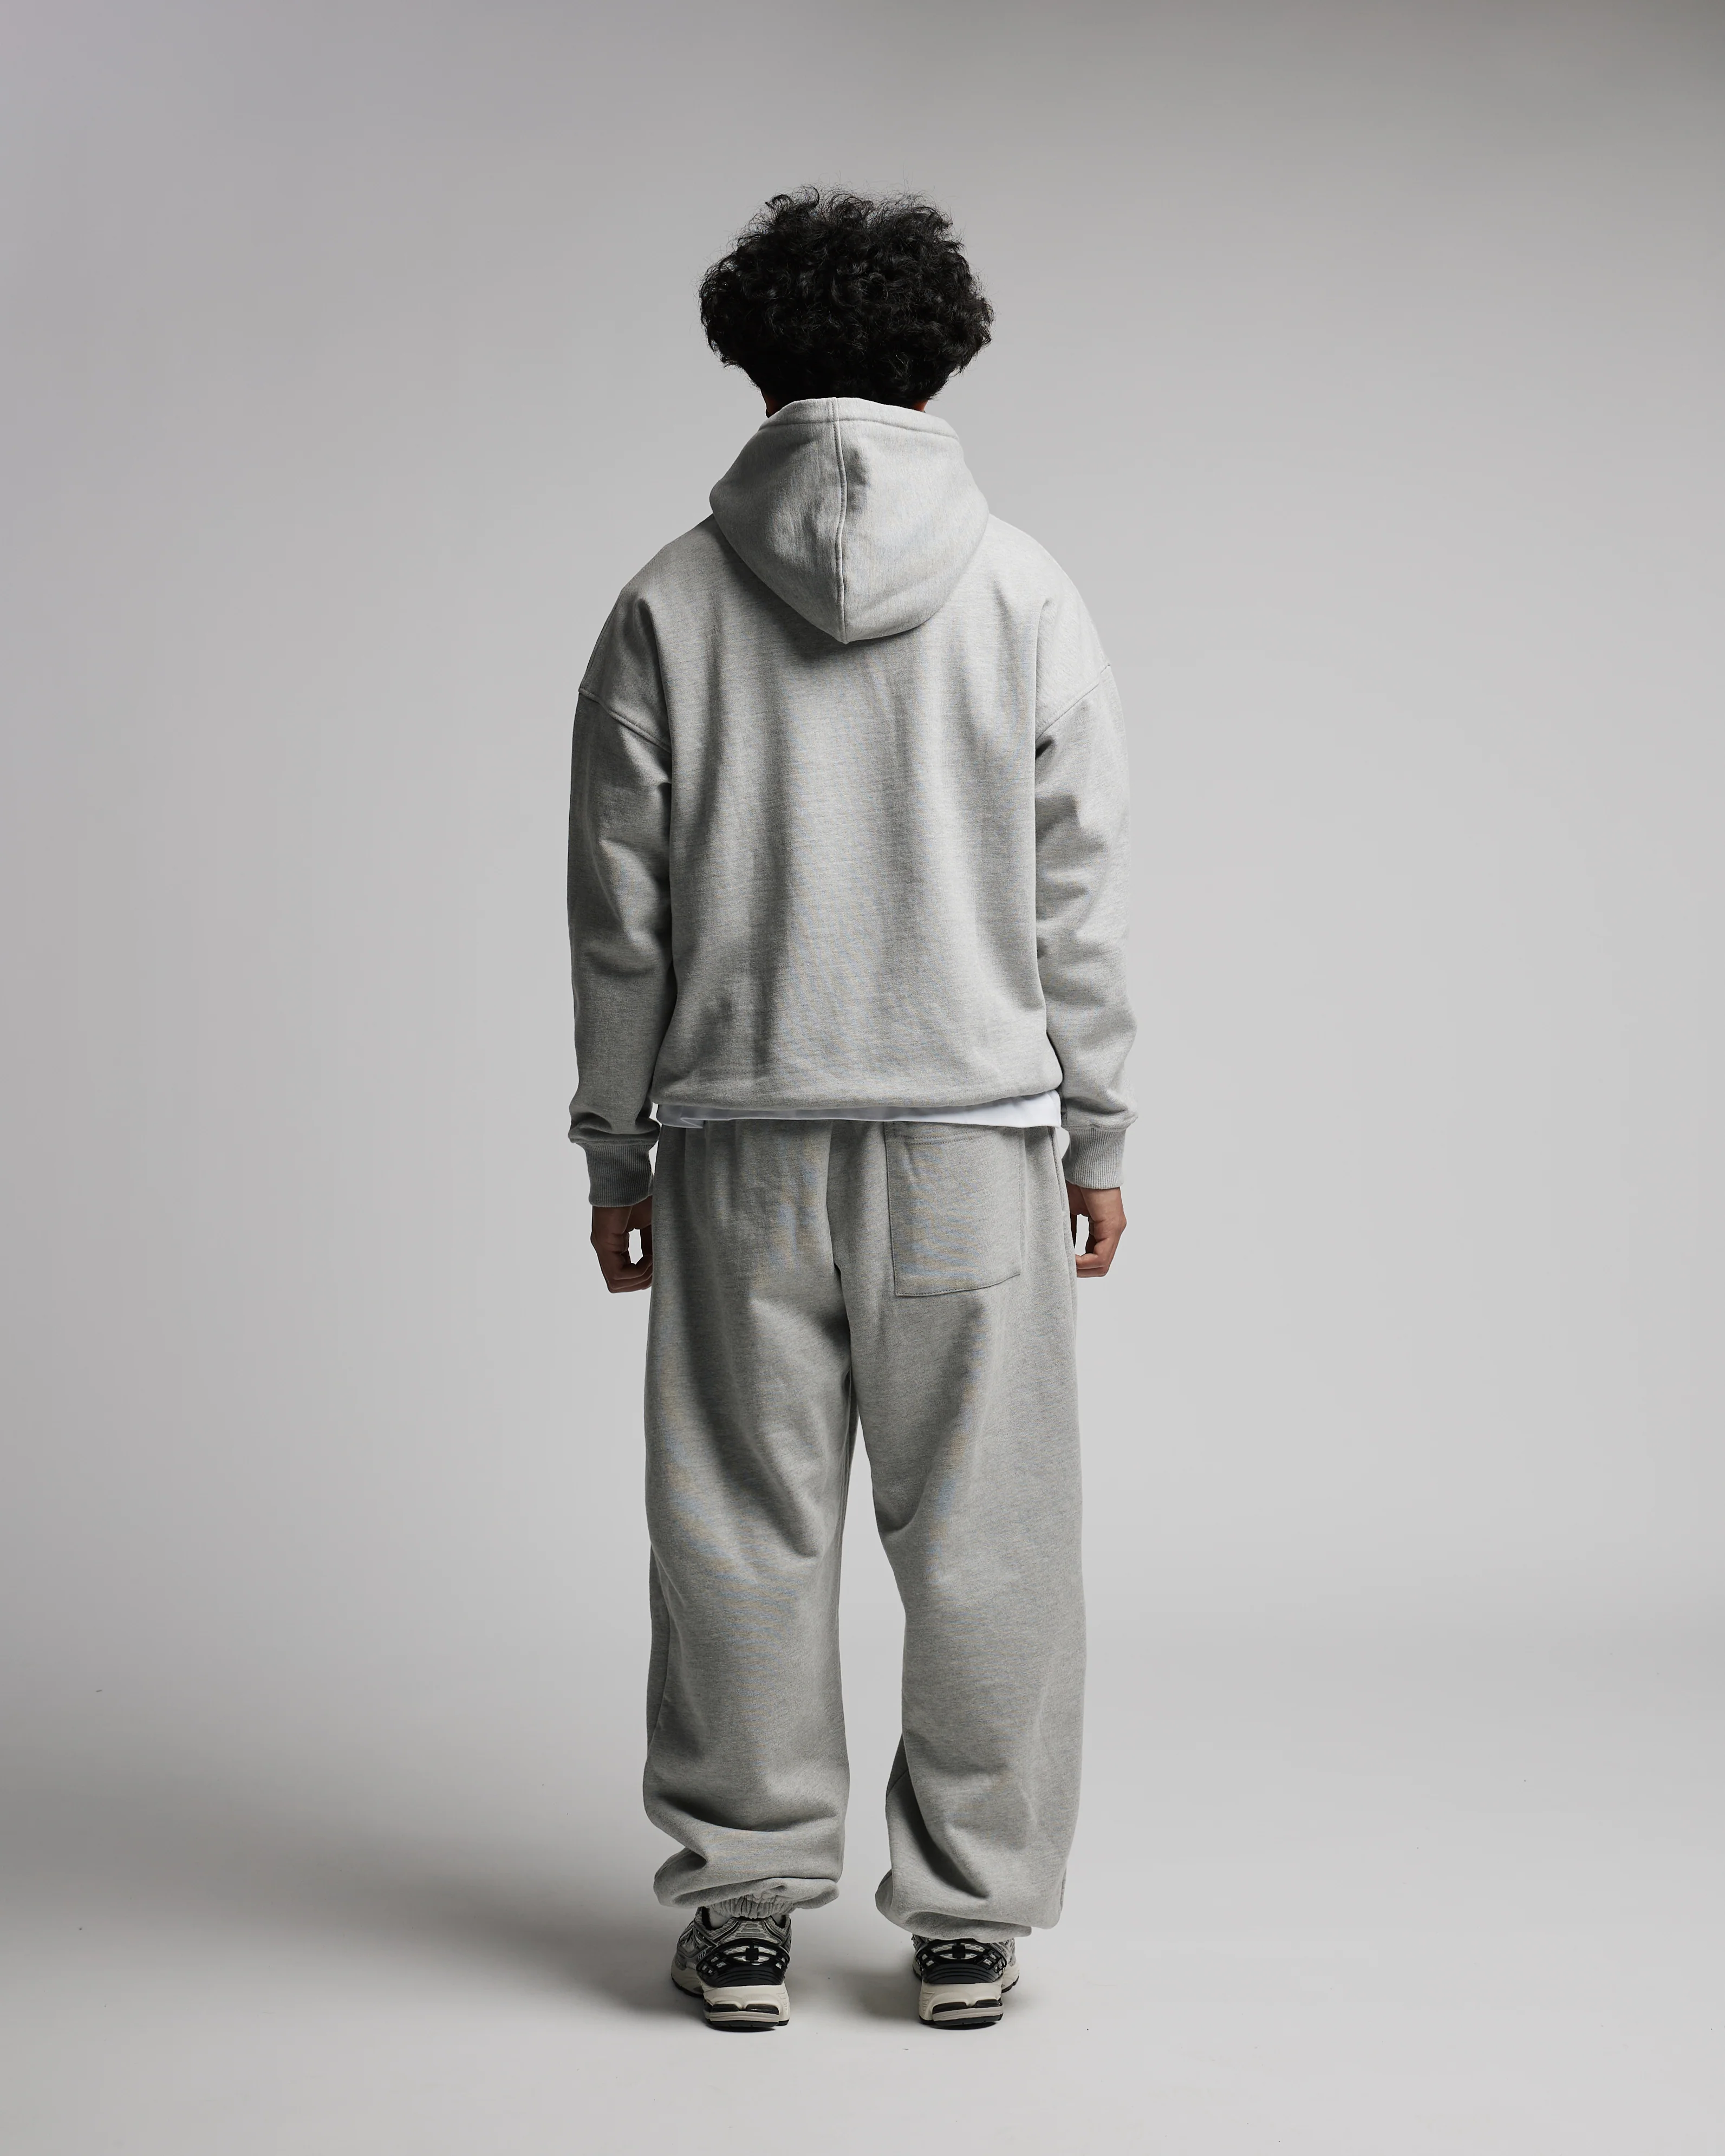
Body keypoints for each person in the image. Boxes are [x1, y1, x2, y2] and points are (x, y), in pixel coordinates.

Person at [566, 188, 1134, 2032]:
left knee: (738, 1526)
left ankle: (743, 1902)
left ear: (751, 359)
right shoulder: (1024, 589)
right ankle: (970, 1913)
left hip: (739, 1144)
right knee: (991, 1537)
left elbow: (620, 913)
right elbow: (1075, 894)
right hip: (975, 1141)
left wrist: (616, 1141)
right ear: (940, 358)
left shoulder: (669, 601)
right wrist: (1101, 1127)